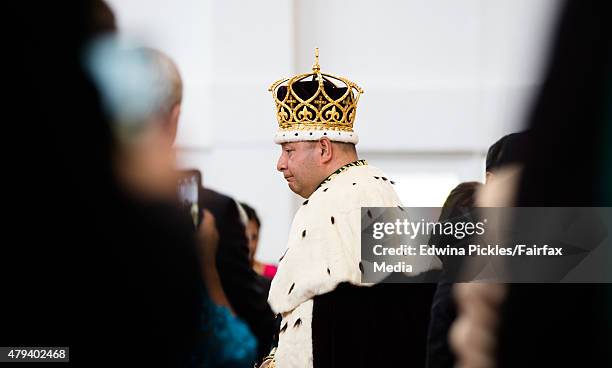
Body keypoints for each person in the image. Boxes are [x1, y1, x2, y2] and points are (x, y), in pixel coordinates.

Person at [263, 49, 439, 367]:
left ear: (324, 148)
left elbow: (321, 331)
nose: (280, 164)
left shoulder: (337, 202)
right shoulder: (373, 189)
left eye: (289, 150)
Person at [240, 202, 278, 279]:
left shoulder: (274, 274)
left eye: (254, 237)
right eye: (244, 237)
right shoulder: (220, 274)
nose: (250, 245)